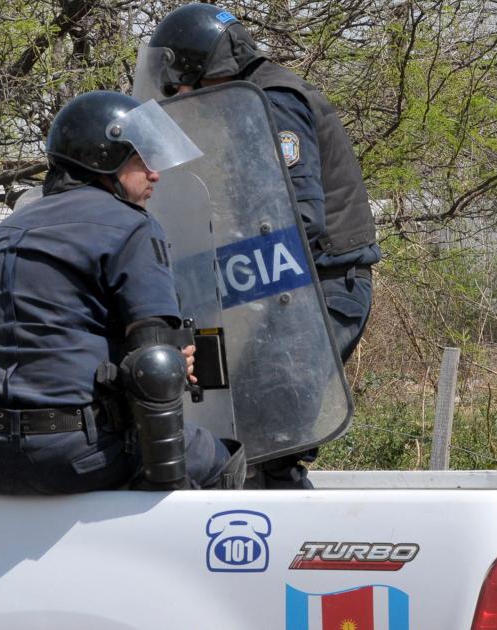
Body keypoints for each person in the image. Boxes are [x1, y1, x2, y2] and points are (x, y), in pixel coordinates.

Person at [0, 90, 244, 494]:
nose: (155, 174)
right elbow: (155, 365)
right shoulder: (132, 226)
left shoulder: (8, 230)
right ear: (103, 158)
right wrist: (172, 363)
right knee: (219, 457)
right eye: (142, 159)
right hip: (70, 456)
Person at [140, 4, 380, 488]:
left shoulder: (272, 100)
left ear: (196, 65)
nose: (181, 94)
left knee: (270, 428)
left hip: (323, 288)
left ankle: (284, 544)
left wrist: (224, 263)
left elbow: (300, 215)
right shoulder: (247, 98)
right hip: (290, 286)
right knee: (250, 426)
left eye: (181, 80)